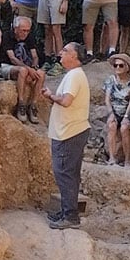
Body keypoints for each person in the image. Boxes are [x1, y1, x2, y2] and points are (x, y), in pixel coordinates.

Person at [43, 43, 90, 228]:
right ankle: (67, 211)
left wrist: (50, 96)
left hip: (68, 133)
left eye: (65, 51)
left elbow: (66, 101)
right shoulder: (75, 75)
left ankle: (70, 217)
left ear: (75, 56)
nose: (60, 53)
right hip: (71, 131)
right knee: (69, 173)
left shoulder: (74, 75)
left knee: (65, 174)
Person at [0, 14, 44, 123]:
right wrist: (28, 69)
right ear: (15, 29)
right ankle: (21, 104)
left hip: (27, 66)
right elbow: (12, 58)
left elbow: (35, 56)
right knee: (23, 71)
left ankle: (33, 104)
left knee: (41, 73)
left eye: (28, 31)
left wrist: (34, 67)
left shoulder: (29, 36)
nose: (26, 33)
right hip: (8, 66)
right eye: (23, 30)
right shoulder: (7, 36)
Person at [103, 53, 130, 166]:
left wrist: (126, 116)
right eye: (115, 65)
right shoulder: (110, 80)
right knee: (112, 125)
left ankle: (128, 160)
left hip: (128, 110)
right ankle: (112, 158)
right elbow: (107, 99)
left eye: (121, 65)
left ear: (127, 67)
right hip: (114, 110)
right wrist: (111, 114)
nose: (118, 68)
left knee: (124, 128)